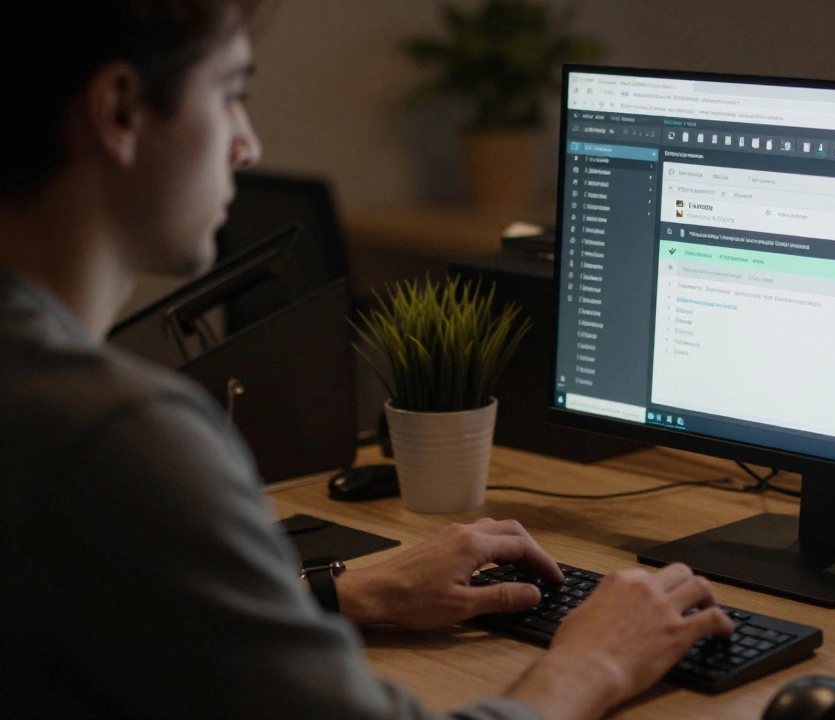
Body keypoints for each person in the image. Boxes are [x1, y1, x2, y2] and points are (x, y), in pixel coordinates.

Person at [0, 2, 733, 718]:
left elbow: (125, 615)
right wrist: (592, 663)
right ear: (120, 110)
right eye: (229, 94)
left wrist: (343, 591)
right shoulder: (117, 438)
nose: (247, 145)